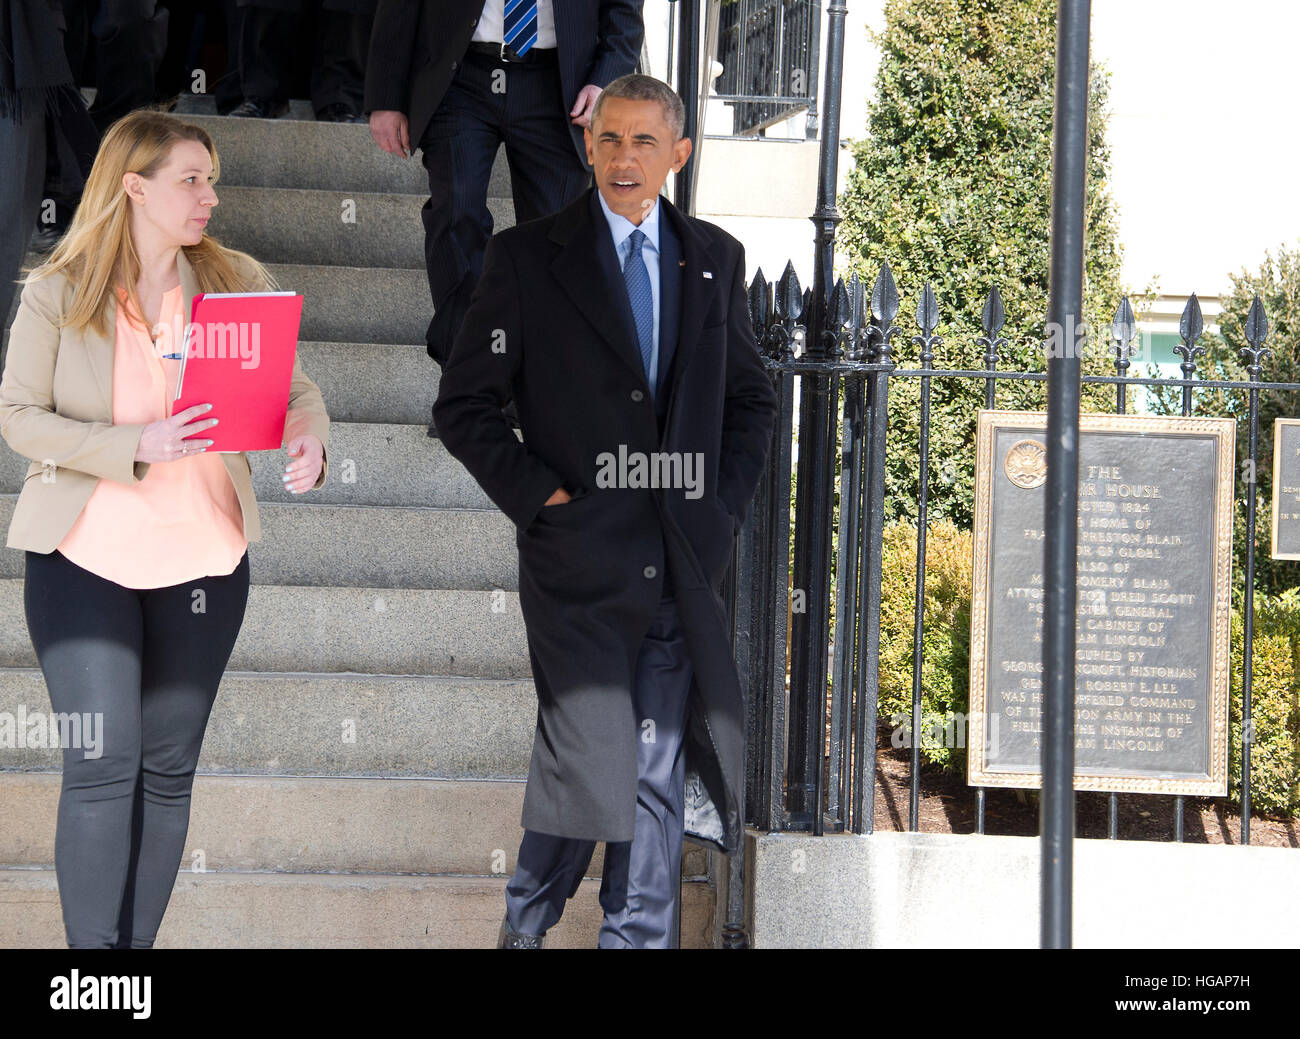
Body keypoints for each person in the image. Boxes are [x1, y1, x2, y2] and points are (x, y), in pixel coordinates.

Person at [433, 74, 778, 948]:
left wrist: (720, 506)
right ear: (587, 146)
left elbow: (751, 402)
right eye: (611, 140)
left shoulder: (716, 259)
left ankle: (634, 937)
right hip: (577, 560)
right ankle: (527, 921)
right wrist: (540, 499)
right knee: (590, 752)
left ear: (679, 154)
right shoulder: (525, 258)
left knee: (655, 763)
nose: (625, 158)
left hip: (680, 557)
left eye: (645, 142)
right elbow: (465, 406)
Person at [0, 108, 331, 949]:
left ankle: (129, 971)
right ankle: (93, 972)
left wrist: (309, 441)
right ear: (133, 187)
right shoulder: (56, 291)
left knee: (167, 768)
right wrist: (129, 444)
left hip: (204, 560)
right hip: (84, 557)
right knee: (103, 762)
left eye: (211, 179)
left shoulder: (234, 280)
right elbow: (18, 419)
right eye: (192, 179)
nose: (210, 197)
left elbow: (297, 394)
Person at [364, 0, 643, 435]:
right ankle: (470, 386)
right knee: (456, 215)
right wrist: (385, 96)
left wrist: (606, 78)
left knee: (555, 238)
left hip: (560, 84)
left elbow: (624, 10)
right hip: (460, 76)